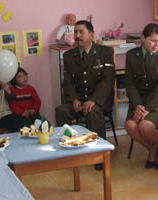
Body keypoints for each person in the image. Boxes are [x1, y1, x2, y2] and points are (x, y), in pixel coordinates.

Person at [55, 20, 115, 170]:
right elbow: (67, 83)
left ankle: (98, 155)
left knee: (93, 112)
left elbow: (108, 81)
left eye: (81, 32)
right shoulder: (69, 56)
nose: (77, 35)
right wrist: (74, 99)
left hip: (100, 100)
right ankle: (71, 150)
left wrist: (93, 100)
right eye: (75, 32)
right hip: (79, 98)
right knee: (61, 111)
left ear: (91, 35)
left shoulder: (105, 52)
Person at [124, 23, 158, 170]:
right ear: (143, 38)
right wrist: (138, 105)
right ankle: (152, 149)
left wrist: (149, 108)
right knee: (130, 125)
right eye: (153, 40)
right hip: (140, 100)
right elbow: (129, 83)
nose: (156, 45)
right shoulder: (132, 55)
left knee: (145, 126)